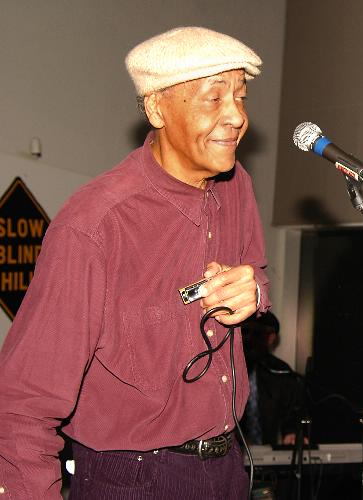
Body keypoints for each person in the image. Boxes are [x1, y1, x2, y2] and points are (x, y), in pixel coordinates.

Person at [0, 27, 270, 499]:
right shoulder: (94, 224)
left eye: (240, 97)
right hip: (131, 478)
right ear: (156, 108)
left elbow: (258, 275)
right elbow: (22, 407)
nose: (236, 117)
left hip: (227, 467)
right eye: (214, 98)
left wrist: (255, 293)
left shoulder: (236, 185)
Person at [241, 312, 306, 446]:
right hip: (232, 452)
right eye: (244, 332)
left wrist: (291, 433)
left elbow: (292, 413)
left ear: (270, 338)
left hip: (270, 452)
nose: (248, 339)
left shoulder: (281, 371)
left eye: (256, 334)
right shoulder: (226, 370)